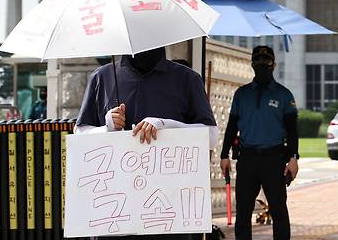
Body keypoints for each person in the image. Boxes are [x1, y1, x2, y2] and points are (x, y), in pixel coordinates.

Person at [74, 47, 219, 240]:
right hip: (114, 215)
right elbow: (80, 135)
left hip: (169, 214)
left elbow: (210, 136)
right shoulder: (102, 77)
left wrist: (165, 125)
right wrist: (106, 128)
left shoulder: (187, 78)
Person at [220, 45, 299, 240]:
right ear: (252, 64)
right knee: (243, 214)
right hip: (247, 160)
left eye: (266, 61)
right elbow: (231, 127)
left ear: (274, 65)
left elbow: (293, 131)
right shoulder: (242, 94)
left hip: (274, 159)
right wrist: (224, 155)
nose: (262, 65)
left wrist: (293, 158)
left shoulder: (284, 95)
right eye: (258, 61)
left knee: (279, 211)